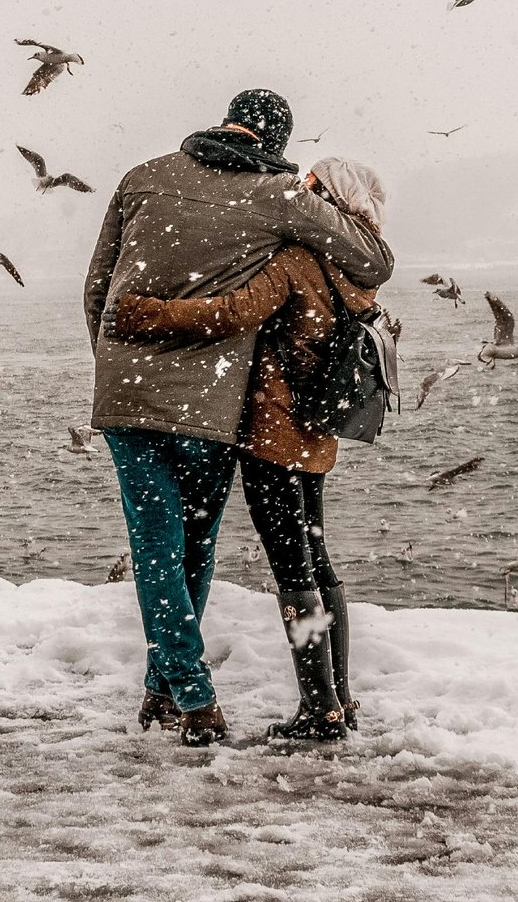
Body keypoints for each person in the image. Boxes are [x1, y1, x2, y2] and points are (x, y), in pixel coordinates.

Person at [85, 93, 394, 746]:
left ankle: (254, 699)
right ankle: (326, 699)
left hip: (253, 428)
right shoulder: (308, 233)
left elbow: (222, 310)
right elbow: (376, 263)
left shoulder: (148, 179)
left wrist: (133, 333)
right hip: (290, 431)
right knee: (288, 558)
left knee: (191, 553)